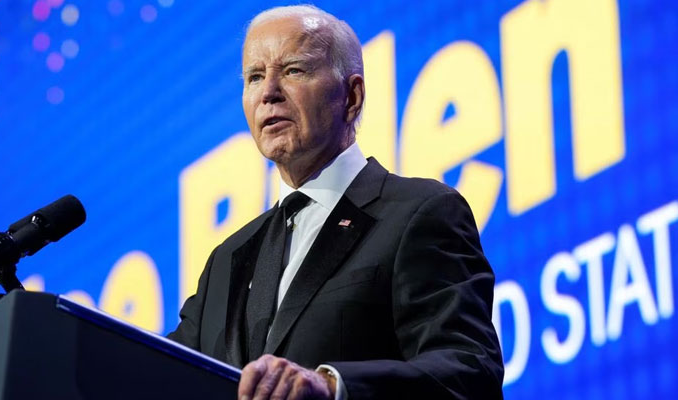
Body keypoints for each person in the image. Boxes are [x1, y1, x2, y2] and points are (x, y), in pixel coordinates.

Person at [168, 5, 504, 399]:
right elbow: (158, 372)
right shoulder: (227, 260)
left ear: (351, 96)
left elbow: (469, 370)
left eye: (293, 70)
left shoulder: (418, 212)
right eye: (255, 77)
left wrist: (333, 387)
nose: (268, 93)